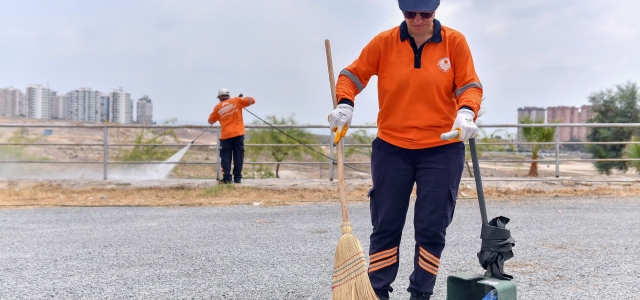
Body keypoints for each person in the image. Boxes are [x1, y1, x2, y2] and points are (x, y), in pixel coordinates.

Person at [327, 0, 482, 299]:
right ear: (402, 12)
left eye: (426, 14)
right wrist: (345, 103)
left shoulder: (454, 42)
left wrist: (466, 113)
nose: (418, 20)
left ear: (435, 11)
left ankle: (420, 294)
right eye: (411, 14)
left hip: (442, 148)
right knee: (386, 224)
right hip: (391, 148)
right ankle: (377, 292)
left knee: (432, 227)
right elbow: (351, 75)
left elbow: (470, 85)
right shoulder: (384, 42)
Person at [208, 88, 256, 184]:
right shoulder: (236, 100)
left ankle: (227, 178)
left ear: (220, 97)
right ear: (228, 96)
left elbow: (210, 121)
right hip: (238, 134)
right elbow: (252, 100)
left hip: (226, 136)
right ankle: (237, 178)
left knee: (225, 157)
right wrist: (242, 98)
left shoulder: (218, 107)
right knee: (238, 156)